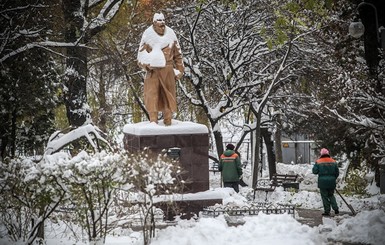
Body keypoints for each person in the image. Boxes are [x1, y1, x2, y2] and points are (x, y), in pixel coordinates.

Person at [137, 13, 184, 126]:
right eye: (159, 20)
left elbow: (178, 55)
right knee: (152, 97)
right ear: (154, 22)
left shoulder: (171, 34)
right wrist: (147, 64)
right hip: (153, 72)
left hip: (168, 71)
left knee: (168, 98)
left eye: (163, 20)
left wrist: (180, 70)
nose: (162, 22)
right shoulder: (148, 34)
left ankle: (168, 121)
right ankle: (153, 122)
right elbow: (140, 56)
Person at [312, 148, 340, 216]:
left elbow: (314, 171)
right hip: (331, 182)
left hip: (323, 182)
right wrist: (333, 178)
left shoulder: (318, 161)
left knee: (324, 196)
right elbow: (337, 172)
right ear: (328, 154)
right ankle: (335, 208)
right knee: (331, 195)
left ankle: (327, 211)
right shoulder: (333, 161)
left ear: (321, 154)